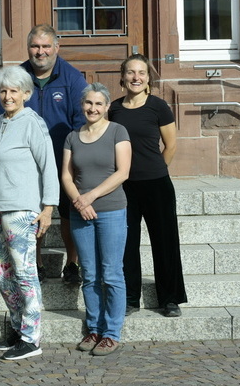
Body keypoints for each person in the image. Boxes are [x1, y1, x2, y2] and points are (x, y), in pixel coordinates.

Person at [0, 24, 88, 285]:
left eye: (46, 46)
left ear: (56, 47)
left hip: (64, 160)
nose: (41, 51)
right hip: (26, 166)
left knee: (69, 214)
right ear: (28, 48)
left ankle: (72, 263)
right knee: (34, 215)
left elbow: (82, 121)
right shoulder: (17, 76)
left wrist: (77, 157)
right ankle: (37, 262)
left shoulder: (72, 78)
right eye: (35, 46)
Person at [0, 66, 60, 361]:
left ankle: (31, 337)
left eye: (14, 90)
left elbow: (48, 165)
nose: (7, 96)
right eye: (3, 90)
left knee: (25, 273)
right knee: (0, 271)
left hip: (21, 208)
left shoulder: (33, 122)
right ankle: (18, 327)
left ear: (26, 94)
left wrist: (48, 207)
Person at [109, 54, 188, 317]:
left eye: (141, 73)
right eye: (131, 72)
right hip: (125, 187)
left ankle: (170, 298)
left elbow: (171, 145)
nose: (136, 78)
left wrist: (156, 170)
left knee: (164, 243)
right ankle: (130, 298)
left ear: (148, 78)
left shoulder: (159, 106)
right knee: (127, 244)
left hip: (157, 186)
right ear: (123, 76)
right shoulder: (114, 109)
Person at [62, 83, 131, 356]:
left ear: (106, 106)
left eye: (98, 104)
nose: (93, 108)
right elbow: (66, 176)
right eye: (88, 103)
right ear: (82, 105)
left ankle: (112, 333)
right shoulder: (72, 137)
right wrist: (79, 201)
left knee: (112, 273)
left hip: (111, 210)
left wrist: (89, 197)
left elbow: (123, 172)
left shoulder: (117, 132)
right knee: (89, 274)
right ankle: (94, 328)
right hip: (80, 213)